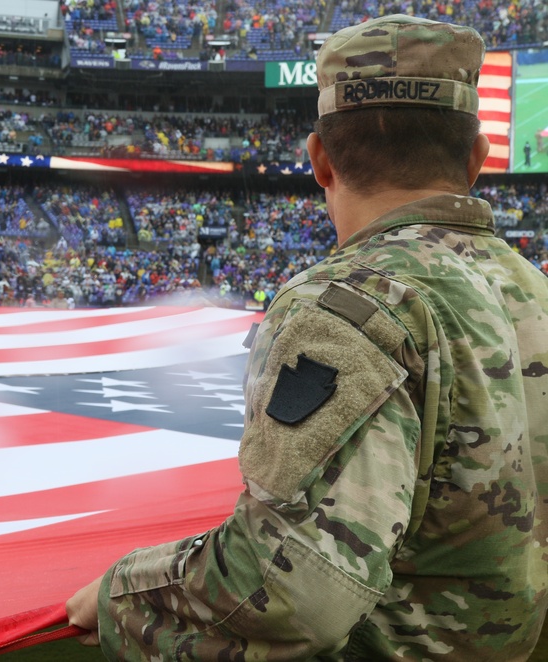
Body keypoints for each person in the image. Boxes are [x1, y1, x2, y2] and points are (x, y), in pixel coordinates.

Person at [66, 15, 548, 660]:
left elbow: (293, 592)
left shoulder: (348, 306)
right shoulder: (533, 290)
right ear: (477, 159)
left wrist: (126, 590)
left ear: (319, 160)